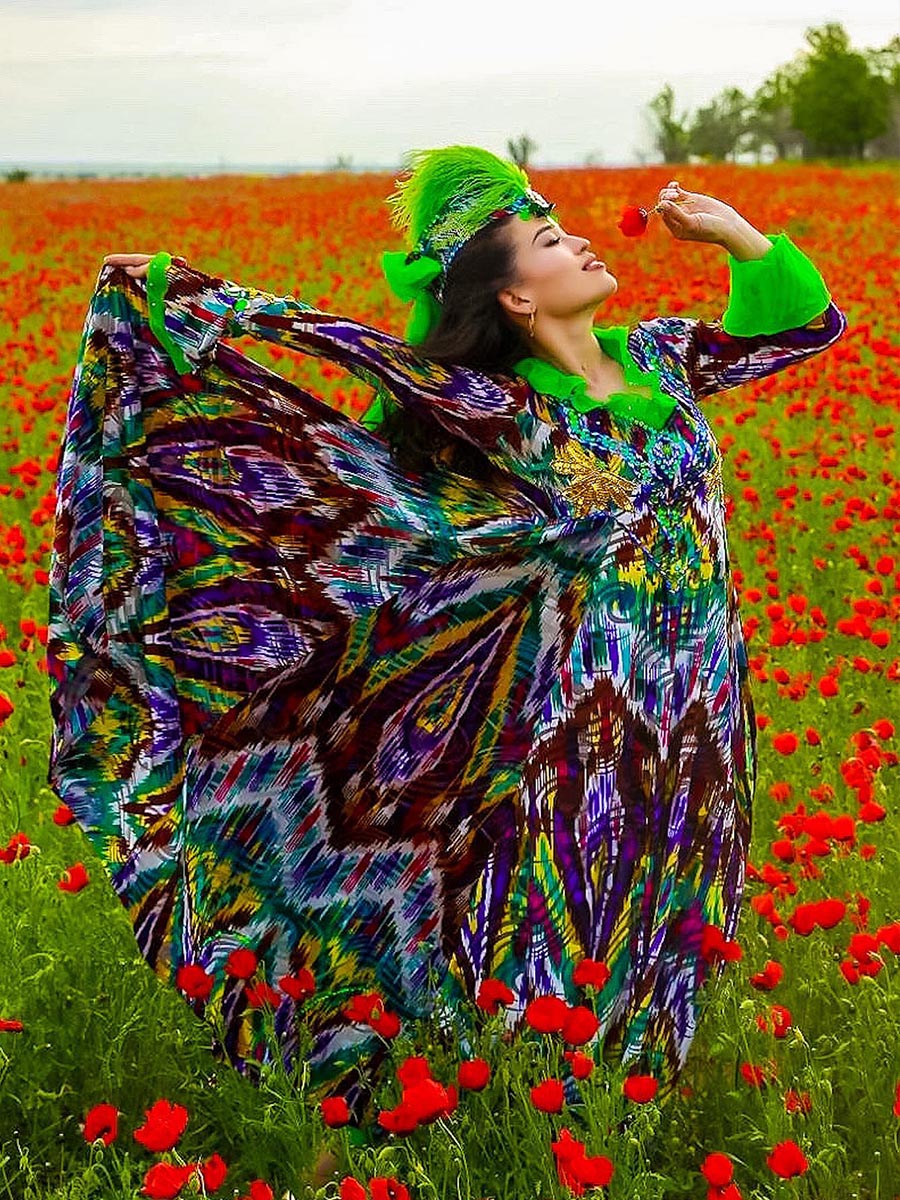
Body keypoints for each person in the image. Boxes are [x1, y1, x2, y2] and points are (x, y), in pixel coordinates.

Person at [51, 146, 847, 1143]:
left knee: (677, 923)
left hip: (697, 719)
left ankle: (635, 1124)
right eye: (551, 238)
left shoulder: (663, 360)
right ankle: (540, 1125)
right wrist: (183, 303)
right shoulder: (500, 415)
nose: (584, 237)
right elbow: (359, 378)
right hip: (577, 733)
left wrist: (735, 233)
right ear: (512, 297)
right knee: (574, 934)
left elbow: (801, 332)